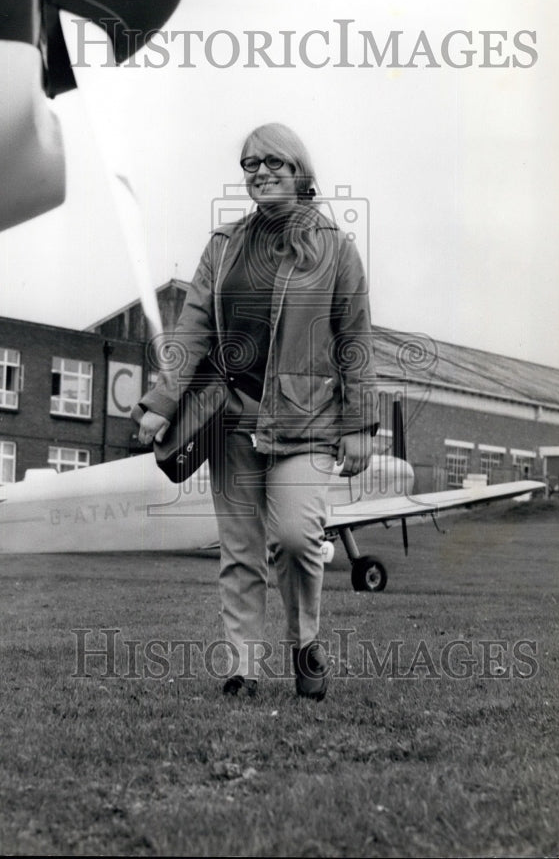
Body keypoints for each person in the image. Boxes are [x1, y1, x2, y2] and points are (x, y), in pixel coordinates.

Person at [137, 122, 379, 699]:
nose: (261, 172)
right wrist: (163, 402)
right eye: (249, 164)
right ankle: (243, 667)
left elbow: (356, 340)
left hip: (308, 421)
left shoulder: (337, 250)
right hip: (231, 421)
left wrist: (359, 424)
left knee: (297, 539)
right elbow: (191, 330)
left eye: (274, 162)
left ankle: (304, 645)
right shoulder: (222, 247)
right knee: (240, 549)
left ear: (300, 172)